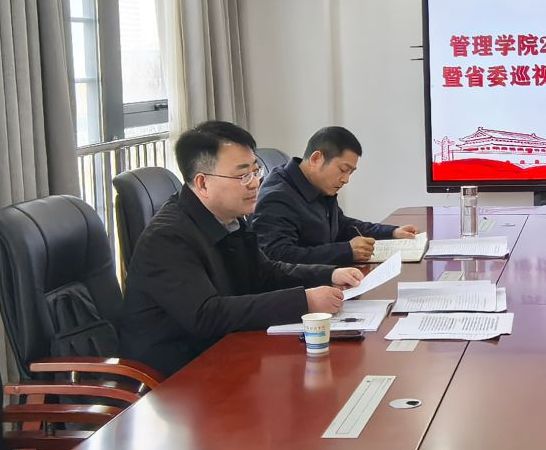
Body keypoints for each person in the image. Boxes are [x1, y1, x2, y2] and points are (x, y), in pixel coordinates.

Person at [117, 121, 364, 376]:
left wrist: (329, 274)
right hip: (177, 375)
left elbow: (264, 272)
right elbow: (207, 315)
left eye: (256, 171)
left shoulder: (229, 217)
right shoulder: (167, 238)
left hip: (226, 352)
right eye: (242, 175)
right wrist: (305, 301)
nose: (255, 183)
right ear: (202, 183)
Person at [252, 125, 420, 266]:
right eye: (343, 170)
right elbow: (277, 256)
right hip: (305, 290)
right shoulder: (277, 197)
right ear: (316, 159)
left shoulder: (317, 185)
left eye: (350, 173)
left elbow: (341, 224)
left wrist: (392, 232)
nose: (346, 179)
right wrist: (345, 251)